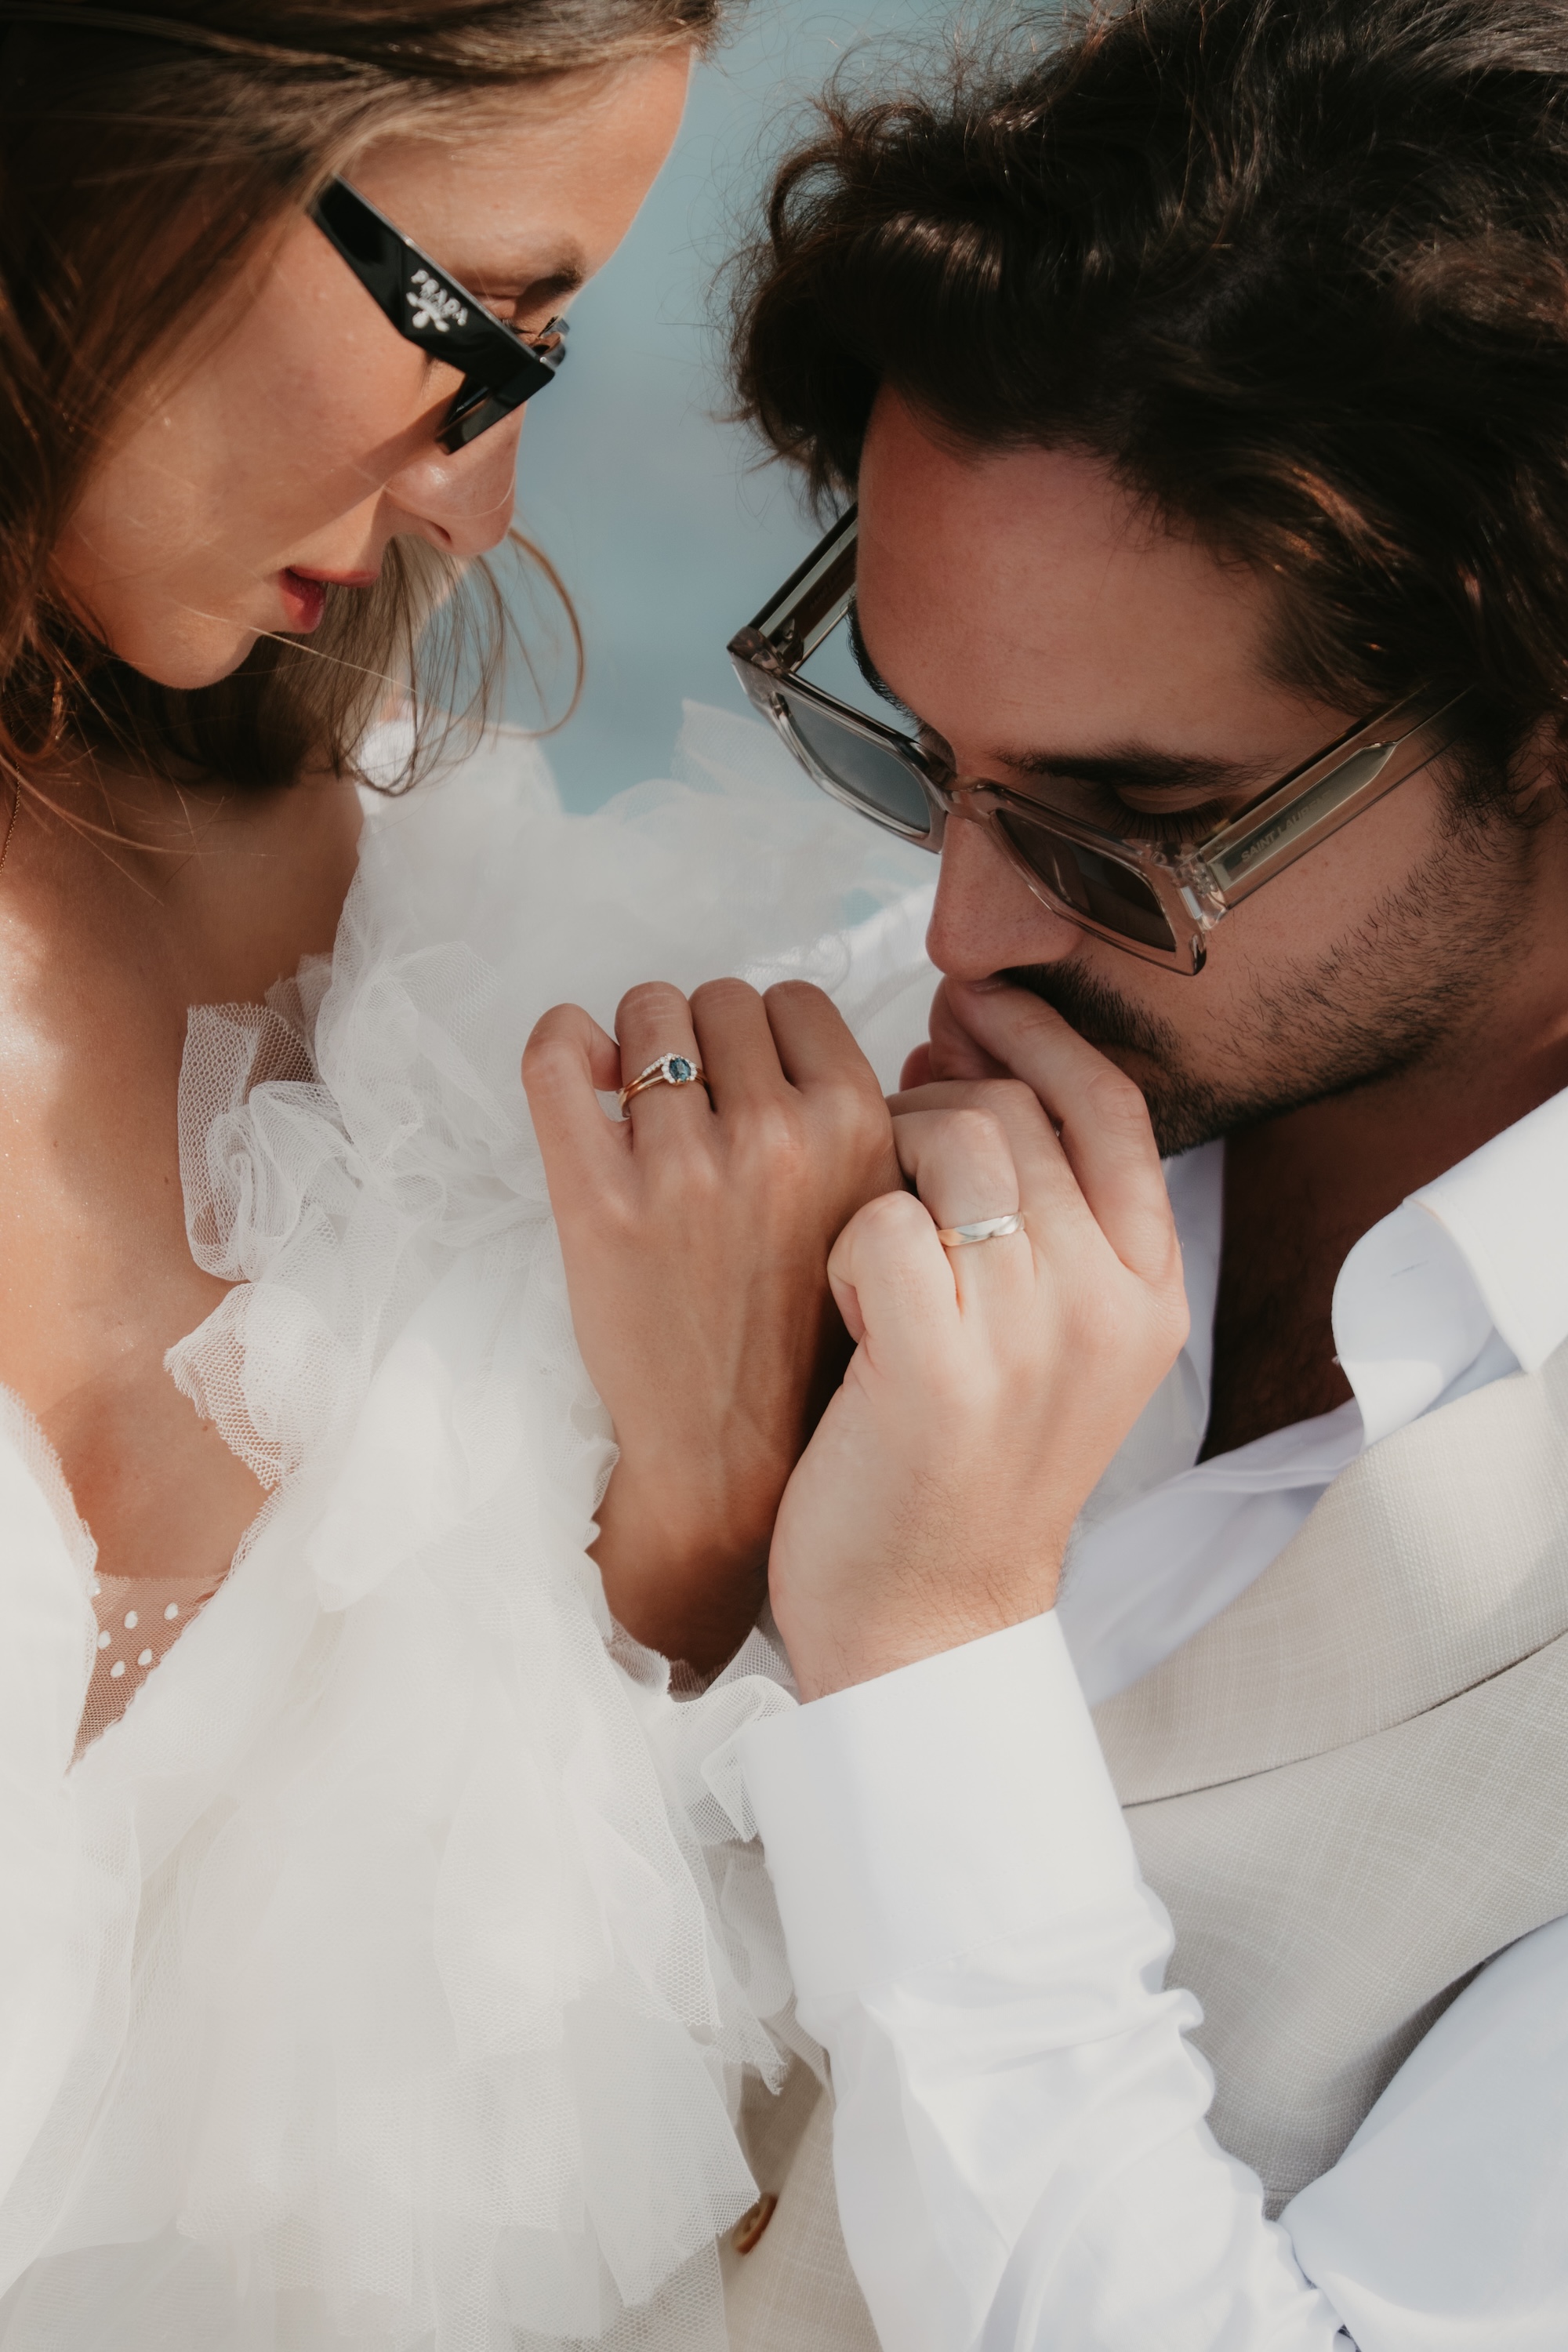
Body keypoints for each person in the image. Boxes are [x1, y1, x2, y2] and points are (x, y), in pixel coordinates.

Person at [621, 0, 1568, 2343]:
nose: (959, 925)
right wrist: (687, 1555)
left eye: (1132, 820)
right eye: (920, 744)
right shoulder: (864, 1046)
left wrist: (927, 1648)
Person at [0, 5, 927, 2347]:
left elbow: (559, 2105)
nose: (477, 501)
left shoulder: (440, 970)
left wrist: (699, 1501)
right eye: (476, 327)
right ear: (118, 130)